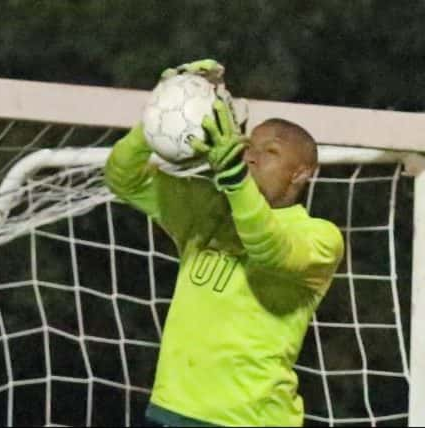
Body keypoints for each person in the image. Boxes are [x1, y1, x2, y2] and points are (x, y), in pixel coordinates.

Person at [104, 60, 344, 427]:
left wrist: (234, 180)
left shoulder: (320, 237)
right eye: (250, 145)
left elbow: (269, 247)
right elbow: (124, 177)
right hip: (169, 409)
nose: (251, 155)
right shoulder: (207, 207)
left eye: (271, 152)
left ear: (300, 173)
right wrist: (161, 113)